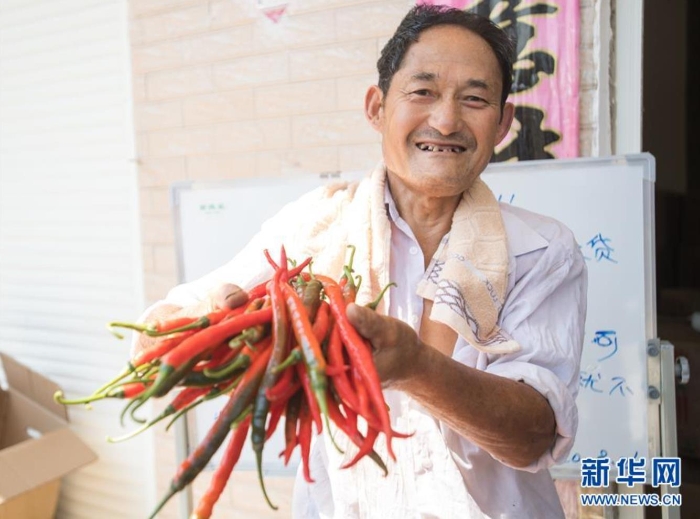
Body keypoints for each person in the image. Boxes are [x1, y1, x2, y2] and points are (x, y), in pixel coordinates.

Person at [134, 5, 587, 518]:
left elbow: (533, 436)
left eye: (475, 99)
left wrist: (417, 367)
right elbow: (170, 325)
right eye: (422, 91)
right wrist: (202, 328)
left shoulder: (543, 251)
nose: (445, 120)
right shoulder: (314, 226)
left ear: (503, 123)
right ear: (376, 107)